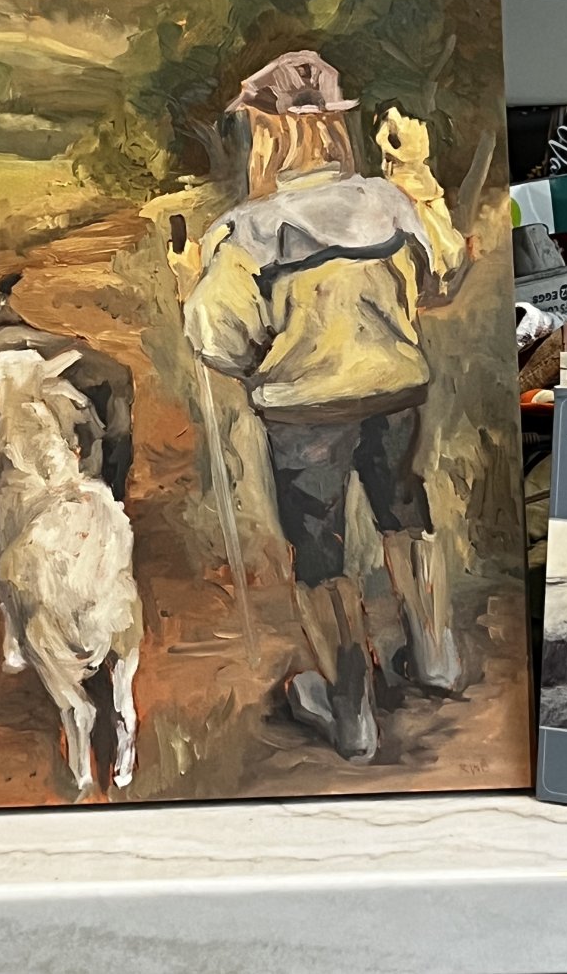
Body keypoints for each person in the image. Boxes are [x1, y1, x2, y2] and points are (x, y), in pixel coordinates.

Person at [180, 53, 449, 762]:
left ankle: (351, 712)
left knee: (321, 549)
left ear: (266, 133)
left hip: (304, 411)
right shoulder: (390, 202)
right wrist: (415, 172)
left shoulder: (249, 229)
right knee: (403, 509)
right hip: (396, 390)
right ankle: (435, 655)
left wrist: (205, 303)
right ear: (337, 126)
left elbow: (218, 335)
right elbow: (439, 272)